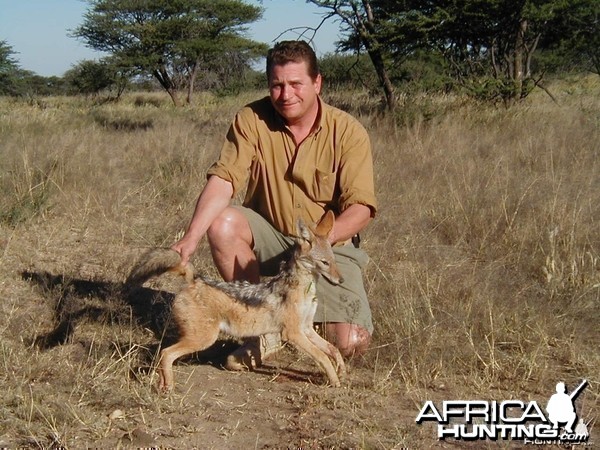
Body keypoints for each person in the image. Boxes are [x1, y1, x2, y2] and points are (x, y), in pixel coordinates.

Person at [171, 40, 377, 370]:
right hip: (270, 237)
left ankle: (293, 322)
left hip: (327, 247)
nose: (286, 95)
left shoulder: (348, 131)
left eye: (296, 84)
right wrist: (190, 238)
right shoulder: (251, 118)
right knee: (223, 223)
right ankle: (260, 334)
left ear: (317, 83)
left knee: (351, 343)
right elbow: (225, 179)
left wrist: (318, 244)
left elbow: (361, 208)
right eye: (277, 85)